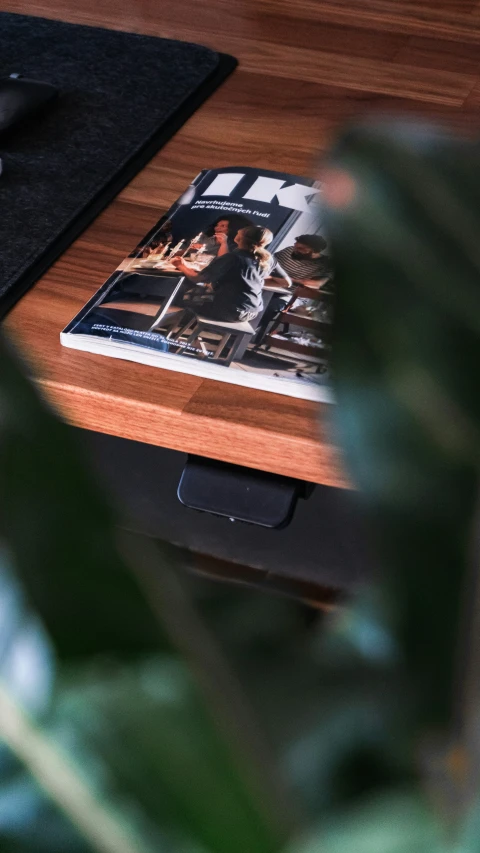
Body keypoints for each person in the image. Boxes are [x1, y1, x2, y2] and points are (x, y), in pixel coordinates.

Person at [170, 225, 278, 323]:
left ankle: (173, 327)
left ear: (239, 238)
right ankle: (187, 328)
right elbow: (286, 282)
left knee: (182, 294)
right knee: (201, 292)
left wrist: (180, 265)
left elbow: (198, 278)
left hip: (229, 311)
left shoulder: (233, 257)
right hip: (252, 313)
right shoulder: (267, 259)